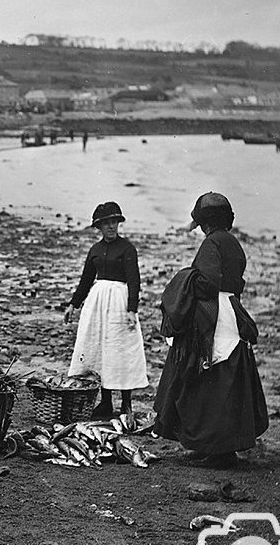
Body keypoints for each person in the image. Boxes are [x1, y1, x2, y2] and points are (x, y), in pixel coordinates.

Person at [153, 192, 268, 468]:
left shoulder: (211, 244)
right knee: (227, 382)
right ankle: (219, 447)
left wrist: (185, 277)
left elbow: (207, 283)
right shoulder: (233, 243)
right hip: (230, 311)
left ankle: (218, 450)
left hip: (213, 317)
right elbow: (234, 281)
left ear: (205, 223)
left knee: (206, 379)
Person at [64, 202, 148, 419]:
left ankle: (126, 403)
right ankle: (106, 402)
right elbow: (85, 281)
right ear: (99, 227)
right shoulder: (95, 250)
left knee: (121, 349)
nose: (111, 227)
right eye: (106, 223)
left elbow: (134, 281)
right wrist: (73, 304)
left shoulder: (127, 249)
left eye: (114, 222)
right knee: (101, 348)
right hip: (98, 302)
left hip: (119, 302)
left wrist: (132, 310)